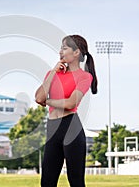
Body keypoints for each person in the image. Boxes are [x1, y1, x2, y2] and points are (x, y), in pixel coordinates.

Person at [35, 35, 98, 187]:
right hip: (52, 128)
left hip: (71, 127)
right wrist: (52, 73)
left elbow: (70, 103)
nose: (60, 51)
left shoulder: (84, 76)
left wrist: (48, 101)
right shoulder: (53, 74)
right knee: (47, 182)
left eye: (64, 48)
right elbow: (38, 97)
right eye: (60, 48)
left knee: (76, 182)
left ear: (76, 53)